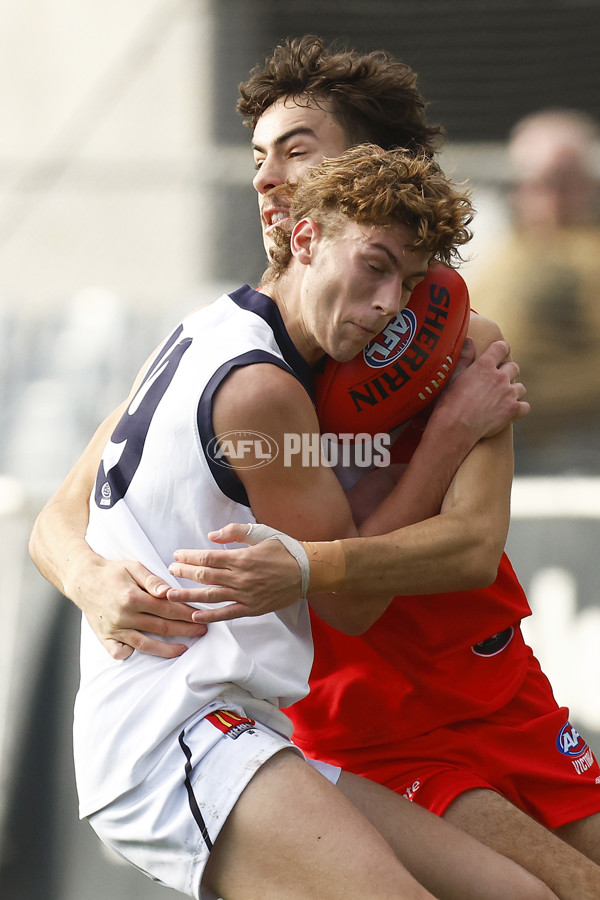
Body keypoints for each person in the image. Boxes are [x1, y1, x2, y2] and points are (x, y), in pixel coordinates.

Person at [28, 36, 600, 899]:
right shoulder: (246, 355)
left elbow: (474, 546)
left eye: (295, 150)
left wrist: (318, 555)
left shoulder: (459, 340)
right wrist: (94, 582)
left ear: (369, 171)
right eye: (258, 157)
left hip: (487, 686)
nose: (263, 176)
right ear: (308, 232)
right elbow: (60, 515)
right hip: (344, 717)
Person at [470, 109, 600, 473]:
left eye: (561, 180)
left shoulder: (590, 256)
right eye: (533, 180)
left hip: (566, 443)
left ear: (585, 182)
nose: (546, 195)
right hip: (488, 429)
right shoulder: (499, 248)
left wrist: (526, 390)